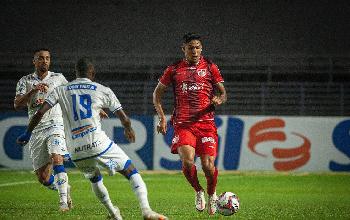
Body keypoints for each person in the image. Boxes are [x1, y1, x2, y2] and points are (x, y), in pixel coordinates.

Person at [17, 57, 168, 220]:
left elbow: (39, 112)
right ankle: (146, 211)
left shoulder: (61, 89)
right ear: (92, 73)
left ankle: (113, 213)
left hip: (75, 151)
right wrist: (128, 129)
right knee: (131, 170)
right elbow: (123, 117)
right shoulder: (102, 89)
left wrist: (28, 132)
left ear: (75, 73)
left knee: (95, 178)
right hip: (98, 144)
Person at [153, 33, 227, 215]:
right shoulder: (174, 69)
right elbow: (157, 95)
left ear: (201, 48)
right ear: (183, 49)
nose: (195, 51)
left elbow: (224, 93)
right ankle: (198, 191)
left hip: (206, 124)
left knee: (208, 167)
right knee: (187, 162)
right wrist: (162, 117)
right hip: (183, 124)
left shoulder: (210, 67)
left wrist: (219, 98)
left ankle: (212, 194)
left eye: (197, 47)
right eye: (191, 47)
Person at [14, 48, 72, 212]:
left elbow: (71, 96)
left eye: (47, 58)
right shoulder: (25, 81)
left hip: (55, 124)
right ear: (34, 61)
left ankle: (63, 202)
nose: (44, 61)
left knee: (57, 158)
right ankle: (64, 188)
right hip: (36, 129)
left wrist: (96, 109)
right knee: (44, 178)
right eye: (41, 58)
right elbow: (17, 104)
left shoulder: (58, 78)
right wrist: (33, 90)